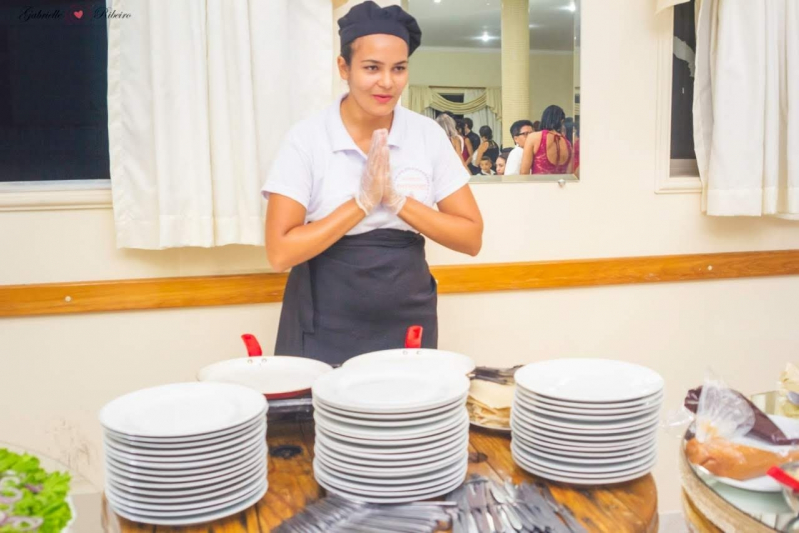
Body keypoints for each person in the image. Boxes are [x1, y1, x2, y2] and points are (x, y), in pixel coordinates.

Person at [261, 1, 483, 365]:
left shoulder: (425, 135)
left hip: (407, 313)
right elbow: (279, 252)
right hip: (325, 319)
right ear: (343, 68)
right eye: (371, 68)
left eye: (399, 68)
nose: (386, 82)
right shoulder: (308, 139)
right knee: (325, 418)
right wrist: (361, 203)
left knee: (406, 416)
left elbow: (471, 238)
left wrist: (397, 201)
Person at [520, 105, 573, 175]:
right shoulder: (568, 144)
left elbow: (524, 172)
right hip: (560, 185)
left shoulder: (534, 138)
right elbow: (569, 173)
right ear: (562, 121)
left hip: (539, 185)